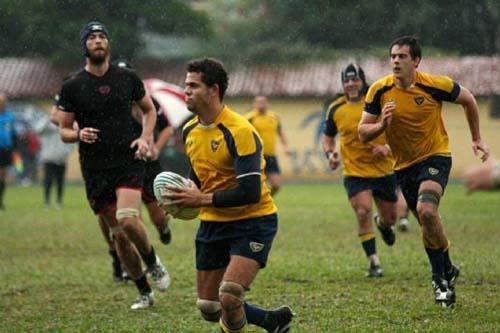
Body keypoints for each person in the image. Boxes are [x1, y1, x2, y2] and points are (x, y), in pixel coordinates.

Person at [358, 36, 490, 307]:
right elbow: (362, 133)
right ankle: (448, 268)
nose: (395, 61)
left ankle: (439, 279)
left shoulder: (435, 85)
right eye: (393, 56)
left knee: (427, 211)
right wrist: (382, 125)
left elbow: (469, 100)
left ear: (416, 61)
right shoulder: (379, 91)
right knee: (428, 224)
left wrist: (476, 137)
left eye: (402, 56)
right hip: (404, 167)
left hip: (436, 156)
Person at [164, 58, 293, 333]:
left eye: (193, 86)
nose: (185, 91)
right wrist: (179, 196)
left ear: (214, 89)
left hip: (253, 220)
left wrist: (200, 200)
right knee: (210, 308)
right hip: (213, 223)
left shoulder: (240, 130)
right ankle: (270, 320)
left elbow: (249, 191)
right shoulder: (189, 130)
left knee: (230, 294)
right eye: (185, 85)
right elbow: (199, 175)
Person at [58, 21, 170, 309]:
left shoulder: (127, 77)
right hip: (95, 168)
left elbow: (149, 111)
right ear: (84, 46)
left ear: (107, 44)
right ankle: (144, 291)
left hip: (127, 159)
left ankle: (152, 260)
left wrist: (146, 138)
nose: (98, 41)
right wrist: (78, 134)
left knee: (128, 219)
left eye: (102, 37)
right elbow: (64, 130)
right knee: (118, 235)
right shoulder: (72, 86)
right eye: (92, 38)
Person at [322, 64, 397, 278]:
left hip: (383, 171)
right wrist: (331, 155)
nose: (351, 84)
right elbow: (328, 138)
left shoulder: (377, 102)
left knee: (390, 217)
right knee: (363, 211)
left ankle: (383, 224)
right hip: (354, 172)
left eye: (354, 80)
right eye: (346, 81)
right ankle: (374, 262)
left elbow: (399, 132)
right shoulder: (336, 108)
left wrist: (387, 148)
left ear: (362, 82)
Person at [244, 96, 291, 196]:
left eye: (263, 102)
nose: (261, 105)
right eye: (258, 102)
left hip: (270, 156)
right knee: (257, 185)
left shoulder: (274, 117)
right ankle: (258, 204)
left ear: (268, 104)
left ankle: (266, 200)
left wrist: (286, 146)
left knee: (276, 185)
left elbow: (280, 132)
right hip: (256, 157)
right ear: (254, 104)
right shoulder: (249, 118)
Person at [34, 102, 75, 209]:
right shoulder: (47, 126)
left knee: (60, 181)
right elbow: (37, 129)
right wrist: (49, 118)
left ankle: (58, 202)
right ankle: (47, 202)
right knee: (48, 181)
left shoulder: (65, 125)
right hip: (49, 158)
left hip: (61, 159)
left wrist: (66, 152)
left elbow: (73, 141)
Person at [0, 93, 17, 210]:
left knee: (3, 175)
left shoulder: (10, 116)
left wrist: (14, 148)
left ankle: (0, 200)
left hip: (6, 149)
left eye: (3, 102)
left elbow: (13, 133)